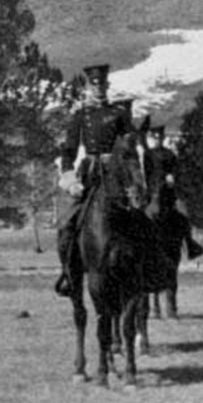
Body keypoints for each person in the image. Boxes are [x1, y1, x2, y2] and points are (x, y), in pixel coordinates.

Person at [53, 64, 137, 296]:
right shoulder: (81, 115)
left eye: (102, 84)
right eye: (93, 85)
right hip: (88, 174)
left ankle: (148, 268)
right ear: (89, 87)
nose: (98, 89)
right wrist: (71, 182)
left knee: (140, 217)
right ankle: (68, 272)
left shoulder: (119, 114)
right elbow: (68, 152)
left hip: (115, 174)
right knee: (67, 222)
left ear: (107, 86)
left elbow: (130, 148)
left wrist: (129, 173)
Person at [143, 120, 203, 261]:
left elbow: (176, 171)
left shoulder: (170, 154)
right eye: (155, 137)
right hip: (151, 191)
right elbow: (146, 173)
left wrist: (172, 177)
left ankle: (190, 245)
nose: (157, 140)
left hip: (167, 191)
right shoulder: (147, 154)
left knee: (183, 214)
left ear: (162, 138)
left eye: (159, 137)